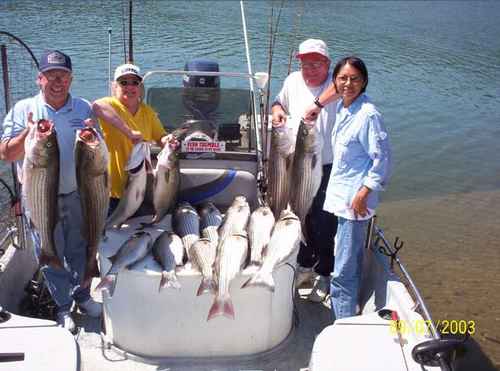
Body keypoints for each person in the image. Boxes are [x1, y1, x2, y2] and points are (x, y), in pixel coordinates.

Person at [0, 50, 102, 331]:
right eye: (51, 75)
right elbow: (7, 154)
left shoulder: (83, 108)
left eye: (63, 75)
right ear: (39, 79)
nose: (57, 81)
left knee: (78, 249)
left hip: (76, 194)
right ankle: (62, 307)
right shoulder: (23, 109)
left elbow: (97, 149)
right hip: (38, 196)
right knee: (48, 248)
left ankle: (82, 295)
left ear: (71, 79)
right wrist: (29, 133)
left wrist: (92, 135)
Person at [317, 56, 392, 320]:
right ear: (335, 81)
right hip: (342, 195)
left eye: (354, 79)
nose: (348, 83)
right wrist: (316, 106)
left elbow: (382, 158)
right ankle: (346, 311)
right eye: (342, 78)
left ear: (364, 82)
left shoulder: (368, 114)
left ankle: (343, 322)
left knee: (344, 269)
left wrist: (363, 193)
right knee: (346, 259)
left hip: (354, 202)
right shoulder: (345, 106)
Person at [271, 39, 340, 302]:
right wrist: (277, 111)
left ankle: (324, 272)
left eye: (315, 63)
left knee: (324, 223)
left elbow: (344, 82)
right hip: (296, 161)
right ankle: (305, 264)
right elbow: (279, 102)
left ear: (327, 64)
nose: (309, 69)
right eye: (305, 63)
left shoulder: (336, 84)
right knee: (300, 216)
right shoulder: (292, 81)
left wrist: (318, 105)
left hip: (326, 165)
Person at [92, 63, 172, 214]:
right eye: (124, 82)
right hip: (110, 193)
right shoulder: (110, 105)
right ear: (114, 86)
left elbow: (160, 137)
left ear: (140, 87)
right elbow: (97, 106)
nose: (130, 87)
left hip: (140, 190)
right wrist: (128, 132)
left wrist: (168, 140)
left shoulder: (148, 112)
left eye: (135, 82)